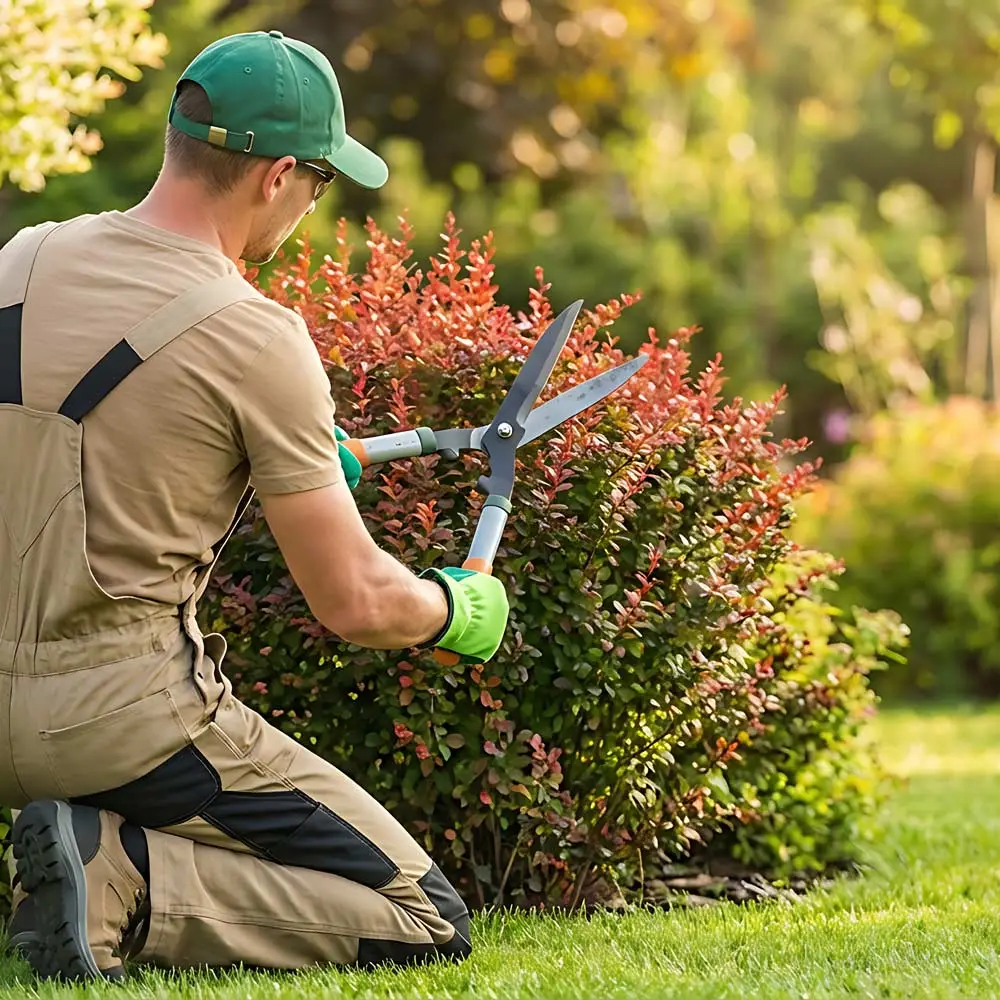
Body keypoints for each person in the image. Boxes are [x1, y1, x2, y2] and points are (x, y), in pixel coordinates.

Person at [0, 29, 509, 981]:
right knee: (426, 916)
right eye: (318, 185)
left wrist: (286, 460)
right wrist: (457, 608)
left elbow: (73, 449)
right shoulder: (254, 332)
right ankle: (125, 879)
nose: (310, 208)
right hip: (125, 729)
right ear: (278, 177)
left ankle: (93, 856)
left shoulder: (19, 262)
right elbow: (353, 602)